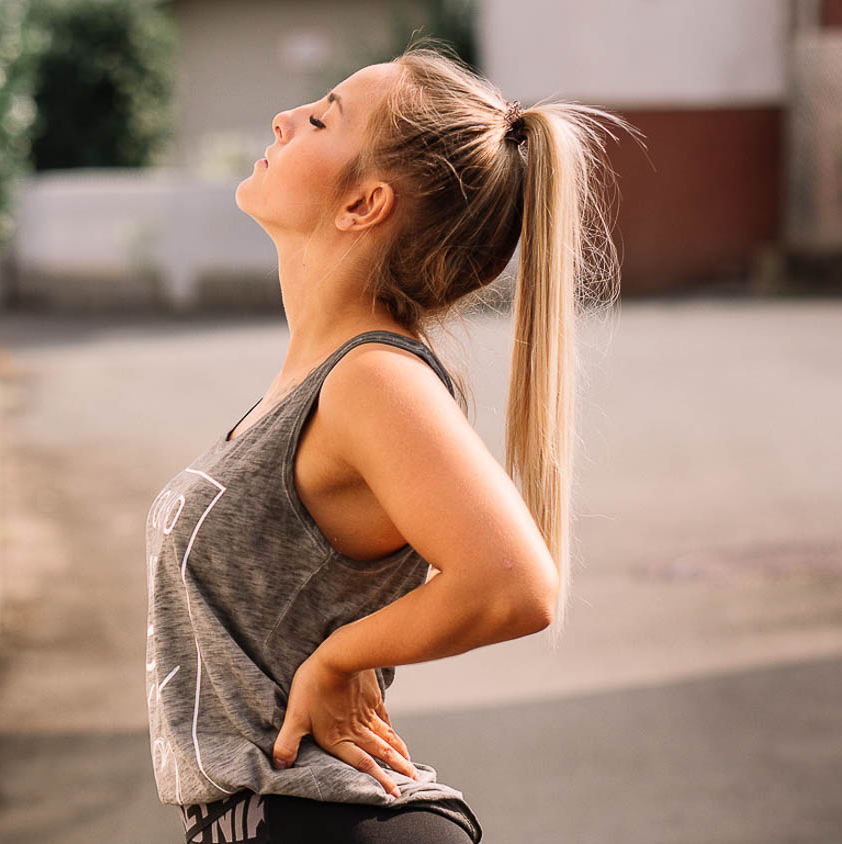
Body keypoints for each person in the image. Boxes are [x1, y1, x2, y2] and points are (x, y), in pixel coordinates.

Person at [144, 36, 640, 843]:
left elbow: (517, 584)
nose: (282, 120)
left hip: (320, 823)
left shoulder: (373, 378)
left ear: (363, 204)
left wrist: (339, 657)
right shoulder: (316, 383)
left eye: (318, 118)